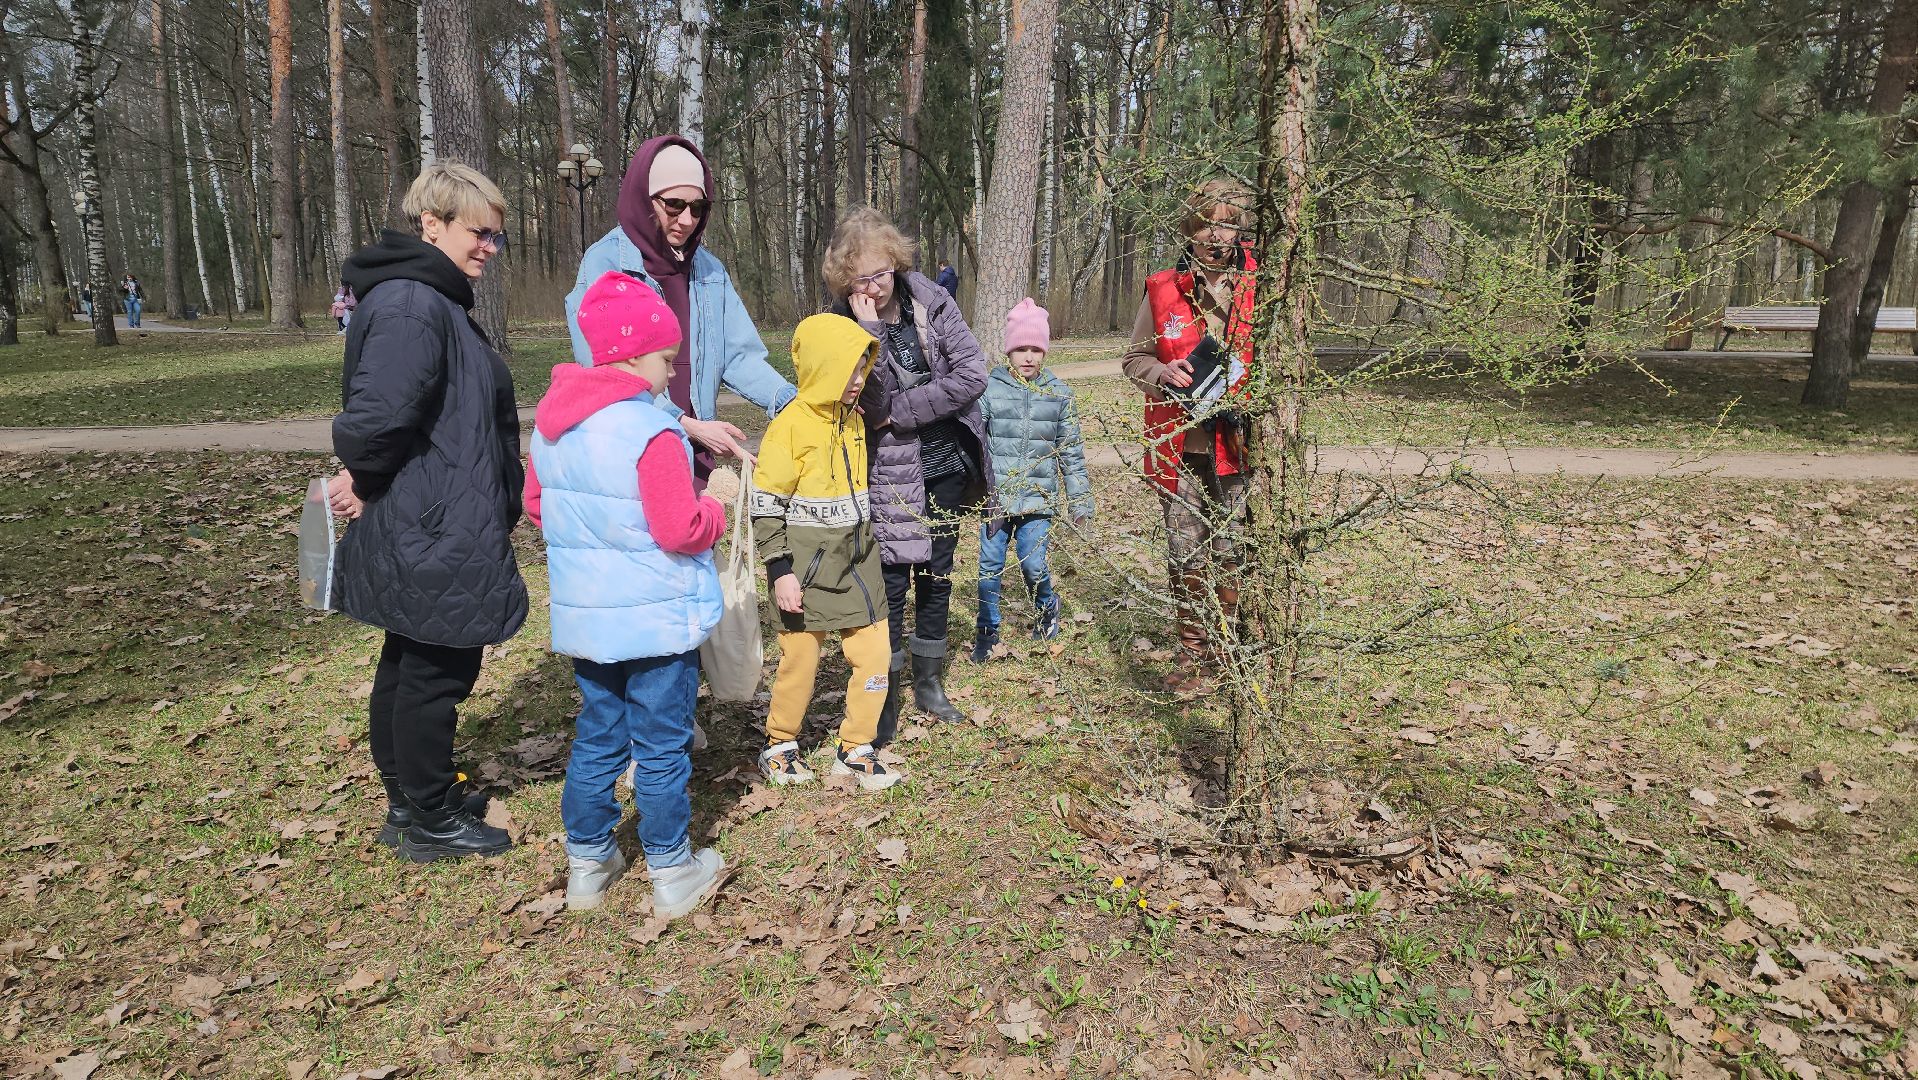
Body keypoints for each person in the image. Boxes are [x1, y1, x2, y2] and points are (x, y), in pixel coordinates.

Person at [326, 161, 527, 862]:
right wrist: (363, 473)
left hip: (433, 510)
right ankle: (430, 815)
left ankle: (410, 802)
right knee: (435, 671)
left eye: (497, 237)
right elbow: (378, 416)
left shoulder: (427, 298)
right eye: (480, 233)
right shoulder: (414, 304)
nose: (489, 249)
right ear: (432, 224)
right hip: (434, 518)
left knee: (411, 658)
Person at [525, 270, 728, 916]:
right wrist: (716, 508)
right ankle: (672, 868)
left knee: (599, 737)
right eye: (667, 359)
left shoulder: (551, 427)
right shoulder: (650, 432)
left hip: (591, 622)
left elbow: (538, 508)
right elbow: (680, 529)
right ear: (636, 356)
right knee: (662, 745)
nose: (671, 372)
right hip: (656, 623)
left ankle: (588, 862)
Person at [825, 208, 991, 741]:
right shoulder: (842, 323)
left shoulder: (932, 301)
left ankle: (929, 683)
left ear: (895, 262)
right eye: (859, 279)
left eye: (879, 274)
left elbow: (972, 375)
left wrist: (903, 409)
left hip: (946, 463)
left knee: (937, 575)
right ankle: (886, 695)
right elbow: (869, 404)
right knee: (891, 582)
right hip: (889, 471)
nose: (871, 287)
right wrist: (869, 332)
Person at [567, 134, 794, 484]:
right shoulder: (605, 263)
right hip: (630, 455)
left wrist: (789, 402)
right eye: (674, 205)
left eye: (698, 208)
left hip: (694, 455)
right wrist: (682, 422)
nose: (687, 220)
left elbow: (739, 356)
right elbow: (607, 371)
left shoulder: (710, 270)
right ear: (644, 198)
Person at [1119, 178, 1258, 696]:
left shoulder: (1260, 286)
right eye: (1206, 225)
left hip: (1239, 446)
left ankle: (1229, 650)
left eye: (1227, 224)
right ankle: (1193, 651)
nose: (1216, 236)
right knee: (1185, 551)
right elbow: (1134, 359)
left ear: (1240, 230)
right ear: (1189, 230)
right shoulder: (1162, 289)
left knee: (1232, 548)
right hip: (1180, 446)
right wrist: (1164, 372)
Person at [751, 313, 901, 792]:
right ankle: (779, 744)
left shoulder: (853, 420)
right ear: (821, 368)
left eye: (862, 369)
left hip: (858, 564)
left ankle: (855, 747)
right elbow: (765, 505)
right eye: (847, 369)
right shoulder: (789, 428)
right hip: (804, 570)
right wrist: (780, 570)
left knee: (875, 655)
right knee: (800, 662)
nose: (857, 380)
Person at [972, 299, 1094, 662]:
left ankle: (1046, 607)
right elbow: (974, 444)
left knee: (1033, 564)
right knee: (989, 568)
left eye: (1036, 349)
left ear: (1045, 351)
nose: (1028, 357)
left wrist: (1080, 502)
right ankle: (987, 630)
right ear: (1009, 350)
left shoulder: (1059, 394)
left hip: (1038, 500)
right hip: (996, 501)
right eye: (1021, 348)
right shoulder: (989, 389)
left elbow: (1071, 453)